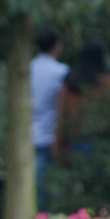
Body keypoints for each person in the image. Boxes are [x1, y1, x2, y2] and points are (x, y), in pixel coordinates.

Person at [55, 39, 110, 168]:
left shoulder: (71, 84)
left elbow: (62, 118)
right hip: (103, 143)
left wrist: (60, 148)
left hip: (76, 143)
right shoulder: (109, 84)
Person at [30, 30, 68, 209]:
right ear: (57, 47)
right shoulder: (61, 72)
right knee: (49, 181)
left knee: (34, 179)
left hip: (28, 132)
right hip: (50, 132)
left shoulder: (27, 68)